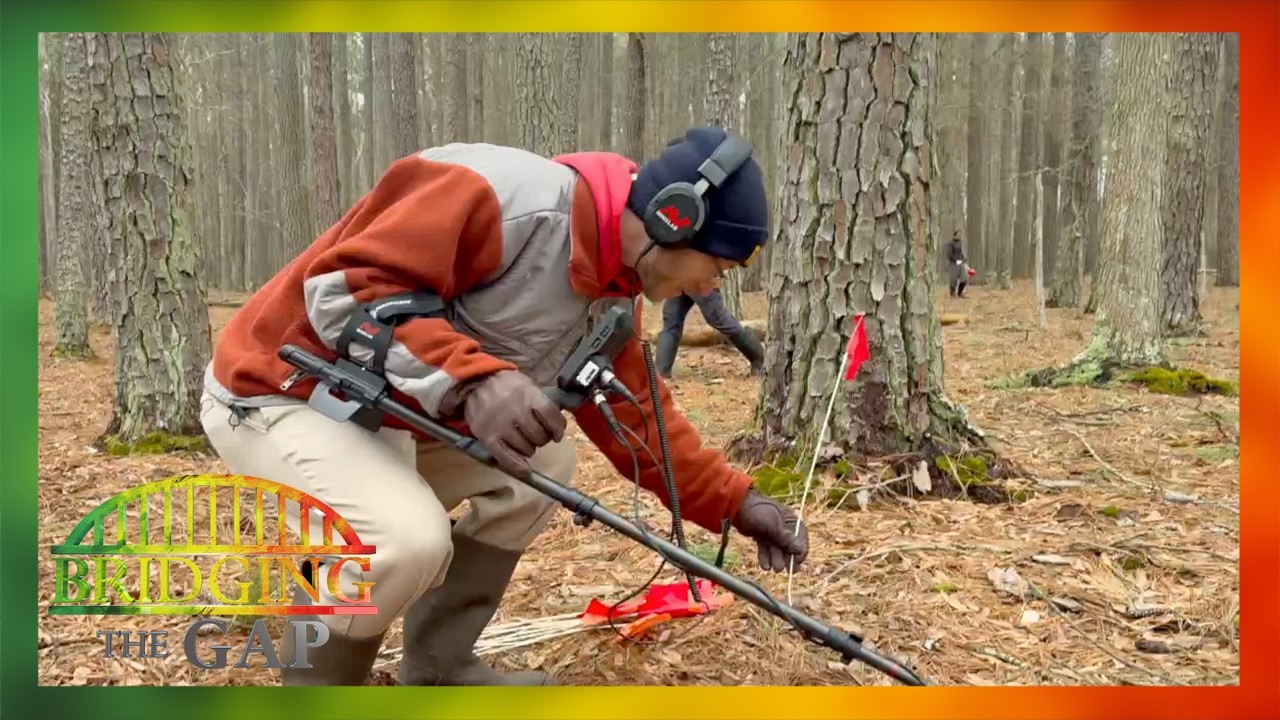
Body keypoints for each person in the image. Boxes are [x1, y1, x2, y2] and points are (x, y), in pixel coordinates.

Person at [198, 126, 809, 687]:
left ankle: (440, 664)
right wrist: (474, 381)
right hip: (279, 390)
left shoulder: (614, 289)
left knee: (543, 466)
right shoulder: (498, 195)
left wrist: (737, 502)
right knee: (405, 539)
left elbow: (640, 424)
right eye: (717, 268)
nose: (710, 289)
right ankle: (316, 687)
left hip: (383, 412)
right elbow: (343, 290)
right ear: (675, 219)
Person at [655, 288, 765, 378]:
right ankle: (759, 359)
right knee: (719, 319)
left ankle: (661, 374)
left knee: (672, 323)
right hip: (691, 273)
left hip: (687, 272)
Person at [946, 231, 968, 298]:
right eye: (958, 235)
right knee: (953, 279)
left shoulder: (960, 243)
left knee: (964, 278)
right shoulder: (950, 244)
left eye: (960, 235)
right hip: (953, 264)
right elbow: (949, 254)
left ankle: (960, 293)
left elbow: (960, 252)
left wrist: (963, 258)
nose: (959, 236)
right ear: (954, 235)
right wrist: (955, 260)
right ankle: (952, 294)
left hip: (960, 262)